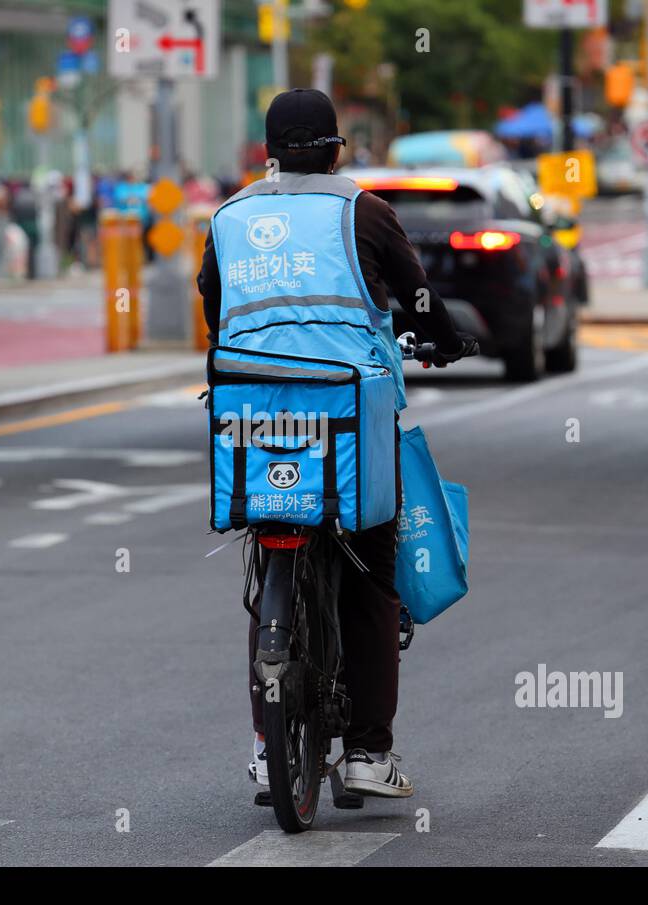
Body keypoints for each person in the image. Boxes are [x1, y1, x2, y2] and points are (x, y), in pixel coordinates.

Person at [196, 89, 475, 799]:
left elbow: (212, 301)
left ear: (268, 154)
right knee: (373, 574)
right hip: (351, 410)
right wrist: (445, 341)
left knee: (266, 564)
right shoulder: (365, 212)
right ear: (334, 149)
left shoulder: (230, 217)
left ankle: (267, 750)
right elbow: (416, 301)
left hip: (252, 413)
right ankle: (367, 756)